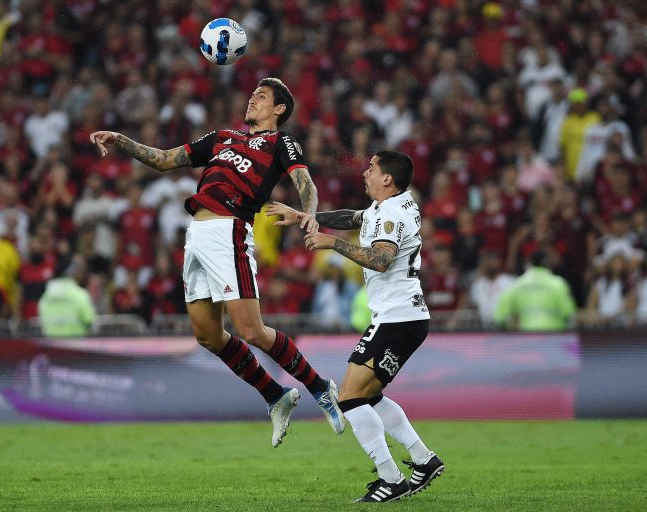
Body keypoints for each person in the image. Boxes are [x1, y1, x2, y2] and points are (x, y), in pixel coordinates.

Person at [90, 77, 344, 447]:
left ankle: (320, 387)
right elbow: (164, 160)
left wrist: (309, 213)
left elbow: (305, 182)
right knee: (207, 335)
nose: (252, 99)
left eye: (262, 96)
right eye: (252, 93)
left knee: (252, 331)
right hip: (196, 236)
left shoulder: (280, 142)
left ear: (279, 109)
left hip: (229, 232)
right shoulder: (222, 137)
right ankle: (275, 396)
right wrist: (121, 141)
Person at [267, 150, 444, 502]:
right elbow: (354, 217)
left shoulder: (391, 213)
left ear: (387, 179)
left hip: (397, 318)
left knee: (348, 396)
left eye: (371, 168)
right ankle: (424, 460)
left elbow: (381, 259)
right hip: (403, 316)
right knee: (368, 396)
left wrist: (331, 242)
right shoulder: (391, 206)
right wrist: (305, 217)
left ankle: (391, 479)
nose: (365, 172)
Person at [494, 250, 576, 330]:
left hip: (526, 337)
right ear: (548, 264)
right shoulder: (558, 284)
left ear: (529, 264)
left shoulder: (517, 284)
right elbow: (569, 313)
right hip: (553, 336)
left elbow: (500, 316)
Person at [37, 258, 96, 337]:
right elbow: (90, 321)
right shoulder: (80, 295)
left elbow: (41, 320)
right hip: (74, 345)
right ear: (72, 273)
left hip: (51, 345)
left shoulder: (46, 295)